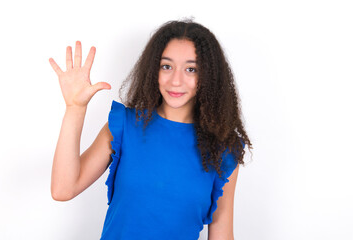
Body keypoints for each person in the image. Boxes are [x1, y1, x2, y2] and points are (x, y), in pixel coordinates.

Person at [49, 20, 252, 240]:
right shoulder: (124, 126)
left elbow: (221, 235)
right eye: (167, 66)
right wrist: (75, 109)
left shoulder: (223, 149)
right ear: (153, 69)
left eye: (191, 69)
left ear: (208, 77)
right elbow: (63, 189)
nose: (176, 80)